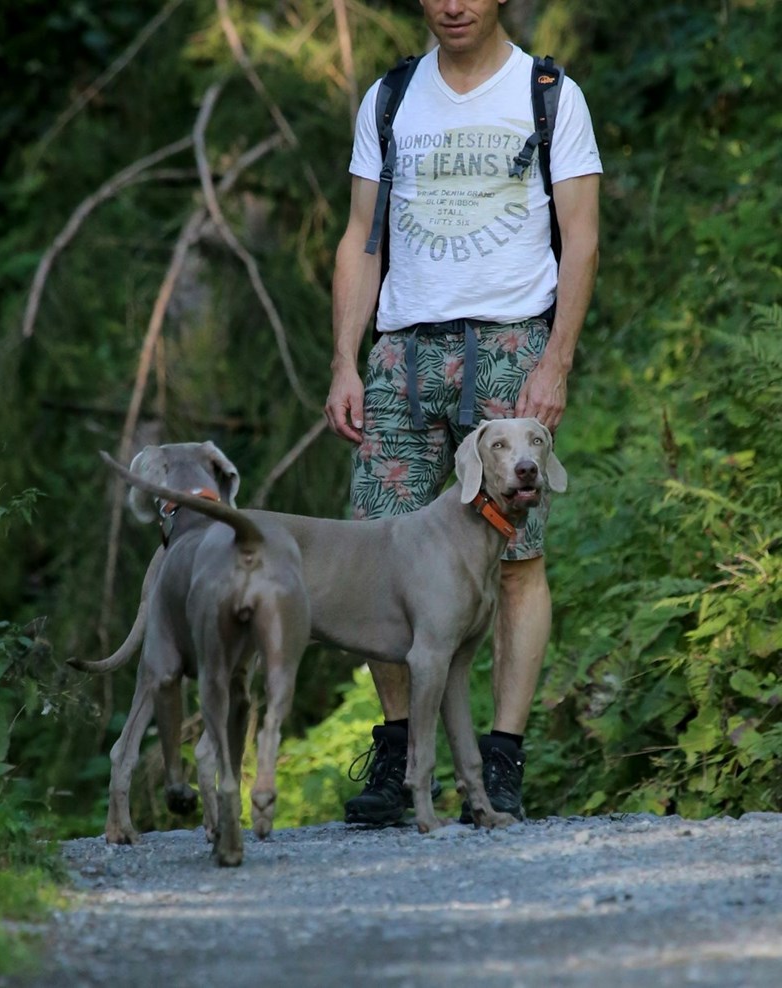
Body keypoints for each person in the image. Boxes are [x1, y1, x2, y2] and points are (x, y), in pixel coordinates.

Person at [324, 0, 601, 826]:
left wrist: (556, 359)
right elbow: (359, 239)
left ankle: (503, 759)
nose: (453, 4)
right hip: (402, 354)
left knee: (517, 561)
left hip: (511, 349)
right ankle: (400, 754)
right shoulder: (392, 96)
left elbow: (580, 237)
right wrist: (346, 357)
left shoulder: (550, 92)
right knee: (382, 553)